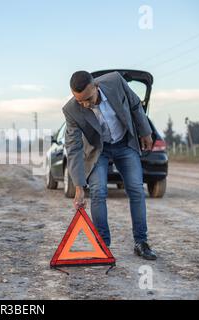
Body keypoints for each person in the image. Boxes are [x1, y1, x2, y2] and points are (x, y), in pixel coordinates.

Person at [62, 70, 157, 260]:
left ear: (96, 86)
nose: (85, 105)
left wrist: (145, 132)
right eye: (80, 101)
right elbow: (73, 148)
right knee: (98, 192)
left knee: (136, 189)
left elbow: (135, 104)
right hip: (99, 151)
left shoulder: (115, 81)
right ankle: (102, 246)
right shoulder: (71, 110)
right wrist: (79, 187)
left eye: (88, 98)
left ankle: (141, 242)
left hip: (125, 143)